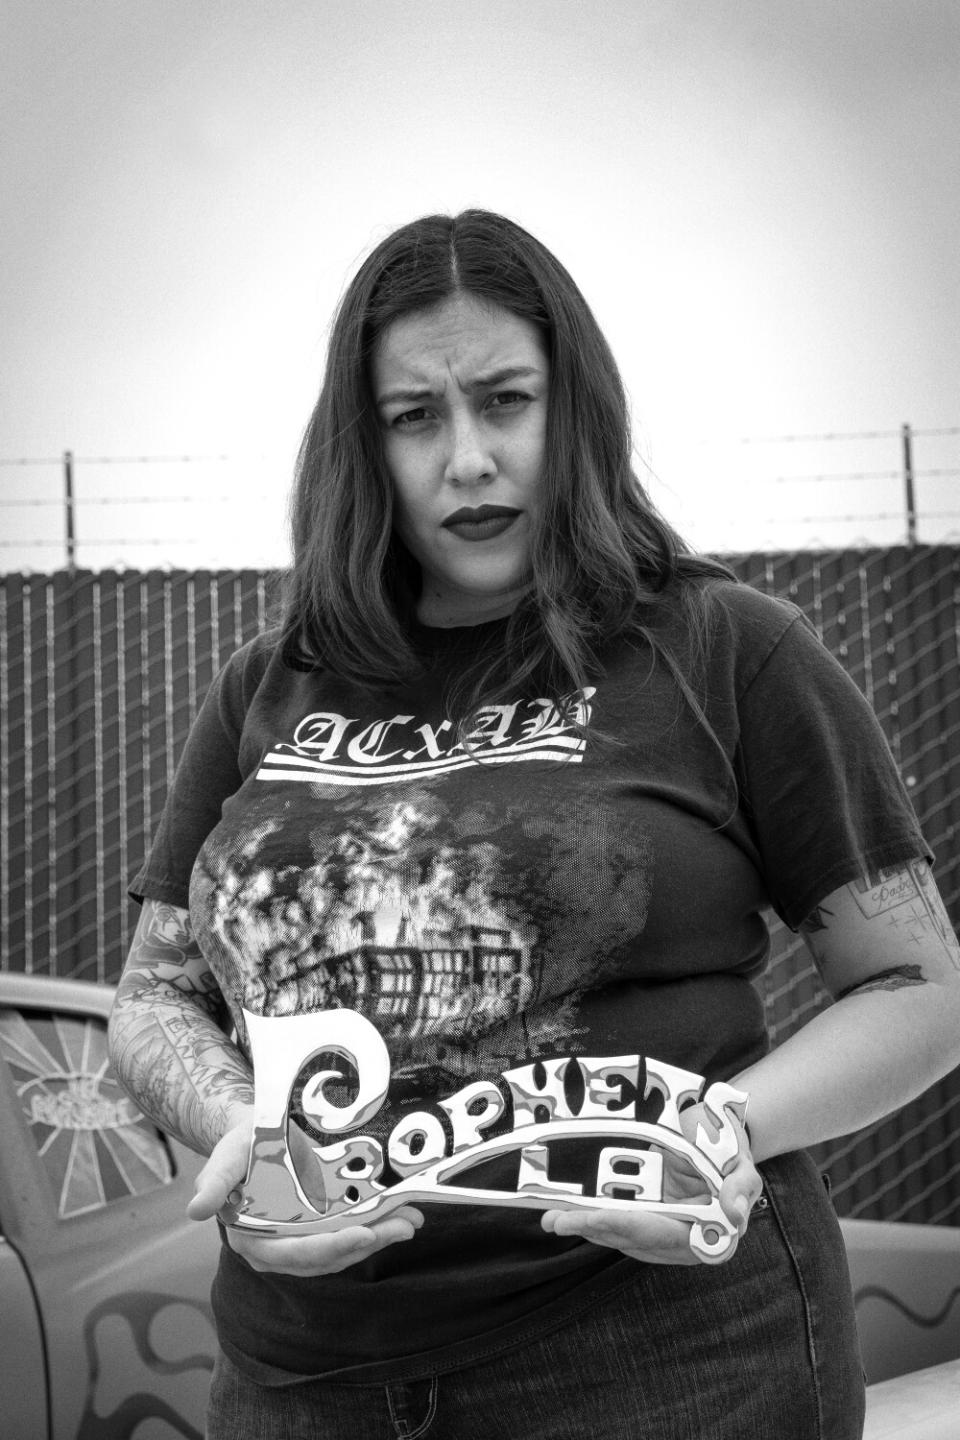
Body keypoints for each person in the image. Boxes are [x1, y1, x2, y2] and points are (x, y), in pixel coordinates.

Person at [108, 209, 960, 1440]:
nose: (468, 459)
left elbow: (920, 987)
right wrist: (238, 1127)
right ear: (364, 443)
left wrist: (723, 1128)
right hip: (300, 1375)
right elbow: (151, 996)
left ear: (577, 411)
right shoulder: (267, 684)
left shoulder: (727, 650)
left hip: (663, 1353)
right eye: (414, 417)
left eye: (505, 400)